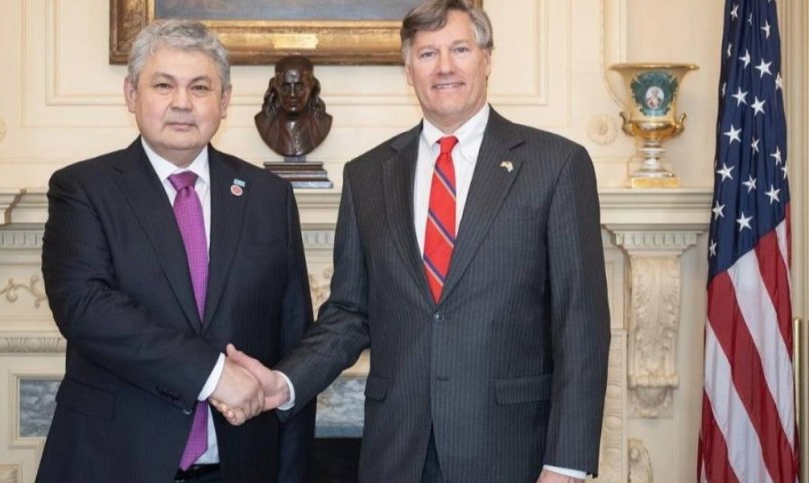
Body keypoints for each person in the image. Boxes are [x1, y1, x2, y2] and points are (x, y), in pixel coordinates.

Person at [219, 1, 610, 481]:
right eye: (427, 54)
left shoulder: (555, 165)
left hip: (510, 452)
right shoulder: (367, 175)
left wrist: (565, 464)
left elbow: (581, 326)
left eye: (459, 49)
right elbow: (349, 314)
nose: (444, 67)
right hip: (397, 452)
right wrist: (285, 383)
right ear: (409, 71)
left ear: (487, 59)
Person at [37, 19, 315, 483]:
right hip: (115, 463)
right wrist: (213, 374)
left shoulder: (270, 197)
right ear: (131, 94)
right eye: (163, 85)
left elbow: (294, 343)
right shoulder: (82, 189)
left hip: (241, 467)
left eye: (200, 87)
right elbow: (86, 308)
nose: (182, 103)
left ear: (224, 101)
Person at [254, 55, 333, 157]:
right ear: (275, 86)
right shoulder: (264, 122)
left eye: (299, 87)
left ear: (312, 86)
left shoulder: (323, 123)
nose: (292, 94)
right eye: (285, 87)